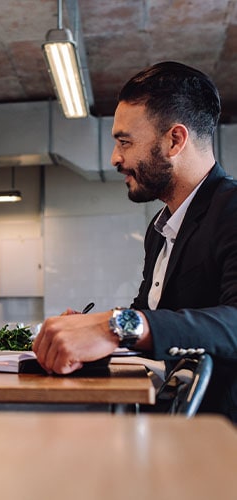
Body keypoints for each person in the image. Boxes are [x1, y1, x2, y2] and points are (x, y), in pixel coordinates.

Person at [33, 61, 237, 422]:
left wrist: (116, 325)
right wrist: (91, 327)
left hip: (220, 440)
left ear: (175, 140)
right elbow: (152, 315)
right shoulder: (161, 229)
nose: (115, 158)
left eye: (125, 142)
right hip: (170, 425)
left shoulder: (232, 207)